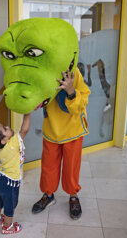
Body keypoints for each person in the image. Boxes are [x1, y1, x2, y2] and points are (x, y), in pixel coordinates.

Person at [31, 68, 90, 220]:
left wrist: (71, 90)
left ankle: (73, 195)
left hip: (73, 128)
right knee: (48, 165)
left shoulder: (74, 72)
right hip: (51, 127)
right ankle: (48, 195)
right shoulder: (41, 69)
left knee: (71, 166)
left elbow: (82, 103)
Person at [0, 113, 31, 234]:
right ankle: (7, 226)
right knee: (10, 204)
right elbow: (24, 130)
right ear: (4, 140)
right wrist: (27, 115)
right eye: (5, 129)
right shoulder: (12, 144)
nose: (7, 126)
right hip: (10, 182)